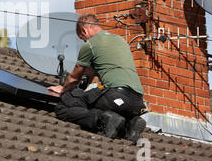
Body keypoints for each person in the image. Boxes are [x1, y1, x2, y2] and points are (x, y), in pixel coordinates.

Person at [47, 14, 147, 143]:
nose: (84, 41)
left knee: (64, 107)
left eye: (83, 38)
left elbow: (74, 77)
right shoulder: (120, 40)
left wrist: (63, 89)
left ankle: (103, 120)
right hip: (137, 102)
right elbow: (90, 73)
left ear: (84, 30)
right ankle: (130, 124)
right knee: (97, 103)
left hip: (115, 95)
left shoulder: (90, 45)